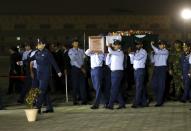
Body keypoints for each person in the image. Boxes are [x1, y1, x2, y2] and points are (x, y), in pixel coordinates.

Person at [31, 38, 62, 114]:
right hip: (39, 75)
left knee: (41, 91)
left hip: (46, 75)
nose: (38, 45)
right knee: (45, 91)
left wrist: (58, 71)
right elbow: (30, 59)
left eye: (40, 44)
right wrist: (21, 62)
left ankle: (38, 108)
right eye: (38, 44)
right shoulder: (37, 53)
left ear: (44, 45)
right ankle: (50, 107)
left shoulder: (47, 53)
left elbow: (53, 62)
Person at [106, 40, 126, 109]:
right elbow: (107, 63)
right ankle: (122, 104)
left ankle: (110, 105)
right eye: (115, 45)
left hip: (118, 72)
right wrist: (108, 56)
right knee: (116, 89)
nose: (115, 46)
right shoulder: (113, 54)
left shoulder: (120, 52)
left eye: (117, 45)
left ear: (120, 46)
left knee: (113, 89)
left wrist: (109, 47)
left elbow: (111, 51)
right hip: (113, 72)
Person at [68, 39, 87, 105]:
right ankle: (75, 100)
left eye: (77, 42)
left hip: (82, 68)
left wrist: (84, 66)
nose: (76, 43)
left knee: (82, 85)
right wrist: (81, 68)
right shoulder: (71, 51)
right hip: (75, 69)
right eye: (75, 42)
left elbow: (84, 58)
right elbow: (74, 61)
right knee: (75, 85)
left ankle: (83, 100)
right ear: (72, 44)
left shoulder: (81, 50)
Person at [130, 41, 148, 108]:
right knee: (141, 87)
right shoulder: (136, 52)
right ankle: (144, 102)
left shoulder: (143, 51)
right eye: (136, 45)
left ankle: (136, 103)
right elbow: (132, 62)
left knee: (138, 87)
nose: (137, 46)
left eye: (138, 44)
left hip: (140, 70)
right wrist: (132, 55)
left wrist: (132, 54)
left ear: (142, 45)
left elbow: (137, 58)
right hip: (136, 70)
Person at [151, 40, 169, 107]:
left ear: (164, 45)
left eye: (161, 44)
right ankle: (158, 99)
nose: (160, 45)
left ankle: (159, 101)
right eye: (159, 44)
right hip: (156, 68)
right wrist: (151, 55)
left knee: (161, 85)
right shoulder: (156, 52)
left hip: (162, 68)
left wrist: (152, 45)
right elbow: (153, 61)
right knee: (154, 85)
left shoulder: (165, 51)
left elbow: (158, 51)